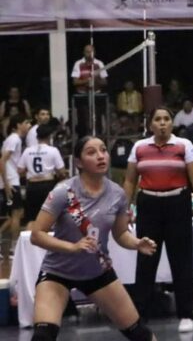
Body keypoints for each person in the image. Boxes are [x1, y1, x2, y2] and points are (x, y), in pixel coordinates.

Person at [29, 136, 158, 341]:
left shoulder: (117, 194)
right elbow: (37, 235)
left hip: (97, 271)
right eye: (91, 152)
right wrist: (72, 247)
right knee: (43, 336)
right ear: (78, 162)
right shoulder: (63, 192)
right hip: (57, 272)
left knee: (139, 333)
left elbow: (121, 233)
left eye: (103, 150)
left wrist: (136, 243)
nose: (100, 156)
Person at [123, 107, 193, 334]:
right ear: (150, 124)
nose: (162, 123)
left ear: (172, 123)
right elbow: (130, 181)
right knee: (146, 259)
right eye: (157, 119)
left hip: (177, 204)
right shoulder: (139, 147)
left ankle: (186, 314)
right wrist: (125, 209)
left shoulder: (184, 145)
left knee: (181, 259)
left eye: (166, 119)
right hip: (148, 205)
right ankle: (139, 316)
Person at [19, 119, 68, 228]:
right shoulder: (53, 150)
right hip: (48, 185)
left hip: (32, 185)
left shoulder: (28, 150)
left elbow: (20, 170)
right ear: (49, 136)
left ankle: (30, 242)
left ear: (36, 137)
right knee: (50, 215)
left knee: (32, 217)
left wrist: (30, 171)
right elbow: (62, 171)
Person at [1, 113, 30, 252]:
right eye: (26, 122)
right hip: (11, 181)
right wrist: (6, 184)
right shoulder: (14, 139)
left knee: (16, 214)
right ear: (18, 125)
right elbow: (2, 160)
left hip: (13, 179)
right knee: (17, 214)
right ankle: (14, 246)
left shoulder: (14, 139)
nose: (29, 125)